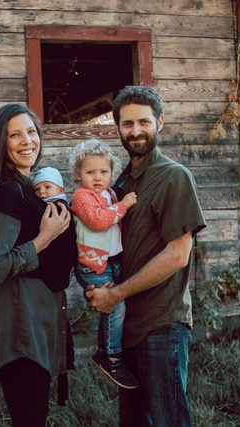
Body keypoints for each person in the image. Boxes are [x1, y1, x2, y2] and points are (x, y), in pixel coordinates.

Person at [85, 86, 206, 426]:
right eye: (127, 124)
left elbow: (177, 255)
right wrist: (98, 286)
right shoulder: (119, 181)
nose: (135, 131)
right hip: (127, 324)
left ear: (160, 123)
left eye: (143, 122)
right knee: (135, 421)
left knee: (168, 420)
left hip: (161, 322)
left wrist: (117, 294)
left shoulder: (173, 177)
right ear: (117, 127)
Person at [0, 103, 77, 426]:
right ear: (1, 143)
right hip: (19, 325)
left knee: (31, 417)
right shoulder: (9, 194)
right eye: (15, 134)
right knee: (29, 419)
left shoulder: (27, 189)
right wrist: (45, 237)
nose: (27, 141)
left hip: (33, 323)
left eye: (31, 131)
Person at [68, 139, 138, 390]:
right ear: (78, 174)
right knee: (114, 304)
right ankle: (109, 355)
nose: (98, 178)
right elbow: (99, 222)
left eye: (104, 172)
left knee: (118, 304)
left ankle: (113, 352)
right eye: (90, 172)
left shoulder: (108, 193)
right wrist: (125, 205)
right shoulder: (82, 196)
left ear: (111, 172)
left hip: (112, 261)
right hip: (93, 264)